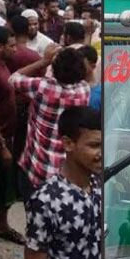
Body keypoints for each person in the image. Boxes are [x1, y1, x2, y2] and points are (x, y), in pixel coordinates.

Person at [21, 106, 102, 259]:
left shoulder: (101, 187)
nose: (102, 153)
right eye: (94, 146)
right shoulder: (47, 200)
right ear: (68, 144)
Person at [11, 46, 92, 204]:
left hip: (39, 169)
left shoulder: (42, 87)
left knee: (36, 222)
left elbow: (14, 77)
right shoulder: (84, 90)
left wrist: (44, 60)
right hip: (68, 172)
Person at [0, 26, 25, 247]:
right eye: (11, 46)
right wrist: (2, 146)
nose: (15, 49)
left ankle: (2, 225)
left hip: (7, 136)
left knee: (6, 185)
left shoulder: (3, 67)